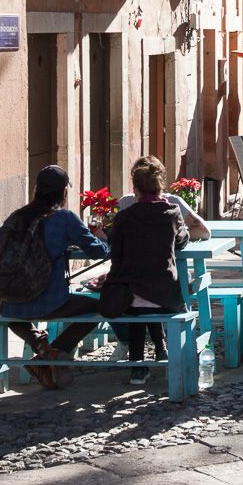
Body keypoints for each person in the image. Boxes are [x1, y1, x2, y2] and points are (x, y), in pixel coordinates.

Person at [0, 165, 109, 390]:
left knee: (10, 312)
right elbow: (98, 251)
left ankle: (39, 344)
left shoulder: (18, 217)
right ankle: (52, 353)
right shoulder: (65, 219)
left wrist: (9, 279)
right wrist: (101, 237)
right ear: (63, 193)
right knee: (100, 308)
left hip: (13, 304)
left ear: (36, 190)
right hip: (53, 302)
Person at [98, 157, 189, 385]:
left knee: (138, 296)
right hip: (166, 294)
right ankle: (160, 350)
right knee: (148, 289)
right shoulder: (172, 213)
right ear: (160, 185)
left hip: (131, 296)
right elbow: (182, 241)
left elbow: (114, 253)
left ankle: (138, 367)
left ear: (135, 188)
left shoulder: (124, 218)